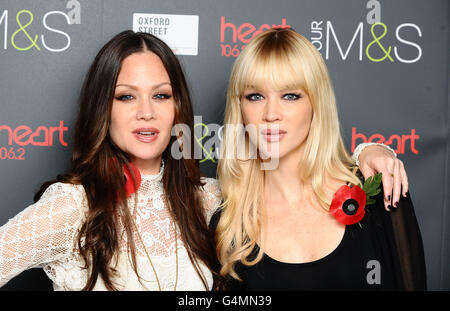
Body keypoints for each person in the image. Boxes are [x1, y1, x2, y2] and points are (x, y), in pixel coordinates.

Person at [0, 30, 409, 291]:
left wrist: (368, 154)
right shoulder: (73, 205)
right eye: (126, 96)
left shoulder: (211, 200)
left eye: (160, 95)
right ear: (101, 108)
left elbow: (291, 180)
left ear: (178, 106)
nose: (146, 112)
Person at [213, 28, 426, 290]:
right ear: (240, 109)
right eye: (255, 96)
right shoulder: (229, 222)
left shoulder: (380, 190)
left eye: (290, 95)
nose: (270, 114)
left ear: (316, 102)